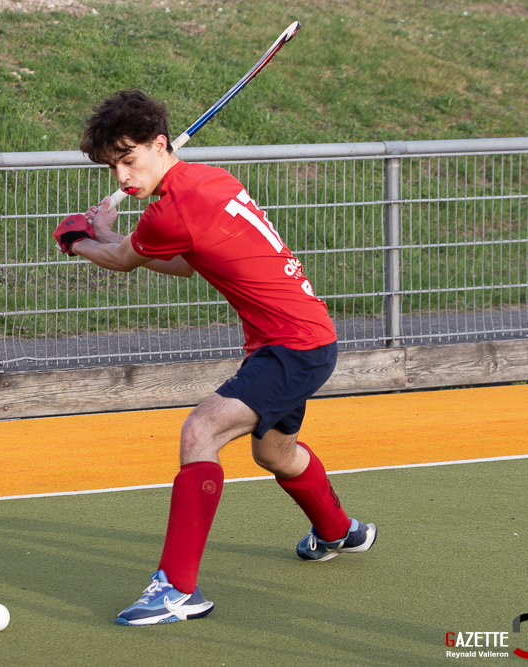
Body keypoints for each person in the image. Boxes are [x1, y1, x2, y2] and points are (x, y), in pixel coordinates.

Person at [52, 89, 377, 627]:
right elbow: (183, 261)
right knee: (275, 454)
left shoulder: (171, 209)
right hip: (304, 339)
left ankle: (177, 589)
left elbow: (126, 259)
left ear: (161, 145)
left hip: (292, 346)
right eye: (114, 166)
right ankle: (340, 530)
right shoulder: (211, 180)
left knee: (200, 432)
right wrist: (109, 237)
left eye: (129, 160)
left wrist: (78, 239)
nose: (122, 178)